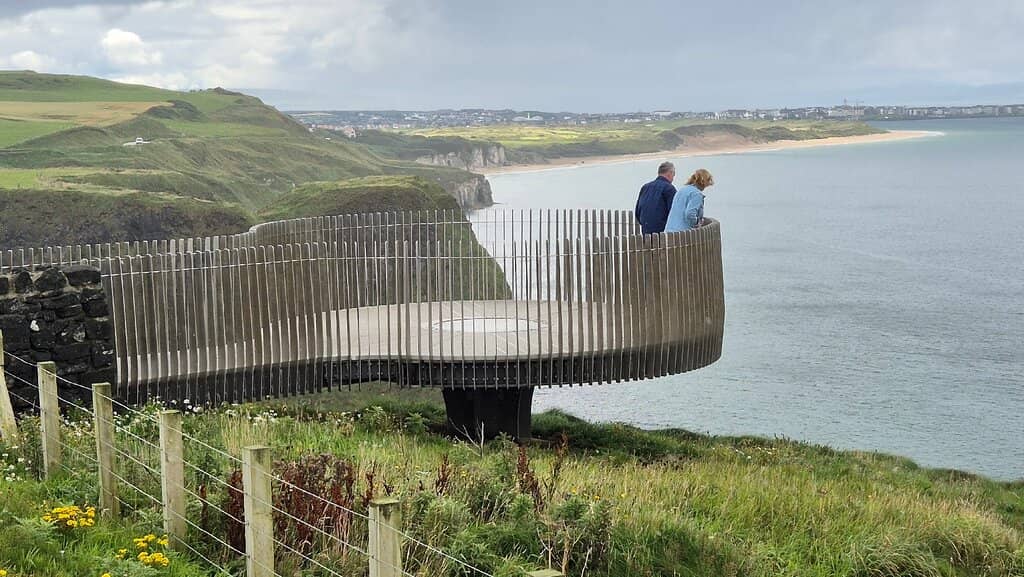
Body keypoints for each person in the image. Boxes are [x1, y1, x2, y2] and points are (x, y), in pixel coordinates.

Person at [634, 161, 677, 234]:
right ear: (669, 173)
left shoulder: (645, 187)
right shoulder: (669, 189)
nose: (673, 178)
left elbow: (638, 211)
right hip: (663, 232)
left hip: (646, 229)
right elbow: (674, 212)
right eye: (674, 174)